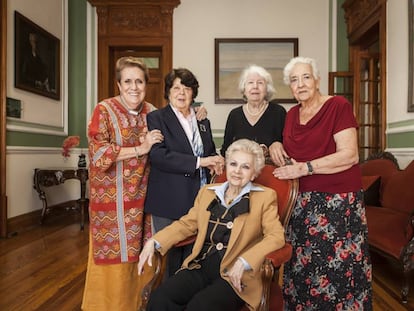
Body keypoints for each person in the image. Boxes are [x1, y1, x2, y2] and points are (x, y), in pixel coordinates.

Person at [271, 56, 372, 310]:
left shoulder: (338, 105)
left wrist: (306, 168)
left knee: (339, 272)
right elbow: (292, 150)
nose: (301, 84)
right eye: (294, 80)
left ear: (317, 80)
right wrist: (275, 144)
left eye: (306, 77)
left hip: (337, 203)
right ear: (290, 87)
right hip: (300, 204)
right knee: (303, 271)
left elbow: (349, 155)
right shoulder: (292, 114)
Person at [138, 139, 286, 311]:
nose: (237, 171)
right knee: (161, 298)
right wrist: (154, 242)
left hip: (236, 274)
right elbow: (187, 224)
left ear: (254, 174)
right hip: (201, 264)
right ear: (226, 166)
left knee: (200, 306)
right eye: (233, 164)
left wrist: (245, 261)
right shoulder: (208, 192)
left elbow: (276, 236)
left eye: (245, 167)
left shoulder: (265, 197)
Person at [81, 56, 165, 311]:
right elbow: (99, 154)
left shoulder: (152, 111)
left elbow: (172, 131)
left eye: (139, 81)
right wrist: (141, 147)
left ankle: (142, 304)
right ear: (118, 84)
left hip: (145, 198)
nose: (134, 87)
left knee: (144, 249)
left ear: (146, 84)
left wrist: (196, 112)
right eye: (128, 81)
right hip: (110, 200)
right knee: (113, 258)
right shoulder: (104, 110)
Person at [144, 68, 224, 276]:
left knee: (194, 256)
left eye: (186, 88)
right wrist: (202, 161)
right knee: (170, 260)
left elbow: (208, 152)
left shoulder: (201, 119)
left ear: (193, 93)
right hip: (168, 198)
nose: (181, 93)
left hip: (199, 199)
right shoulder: (156, 118)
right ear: (168, 92)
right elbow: (159, 156)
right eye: (176, 88)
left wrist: (214, 161)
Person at [220, 64, 286, 161]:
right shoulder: (234, 115)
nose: (255, 86)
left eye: (260, 83)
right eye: (250, 82)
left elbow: (289, 146)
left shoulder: (278, 112)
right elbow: (225, 150)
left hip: (270, 170)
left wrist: (277, 144)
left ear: (267, 89)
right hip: (241, 172)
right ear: (244, 89)